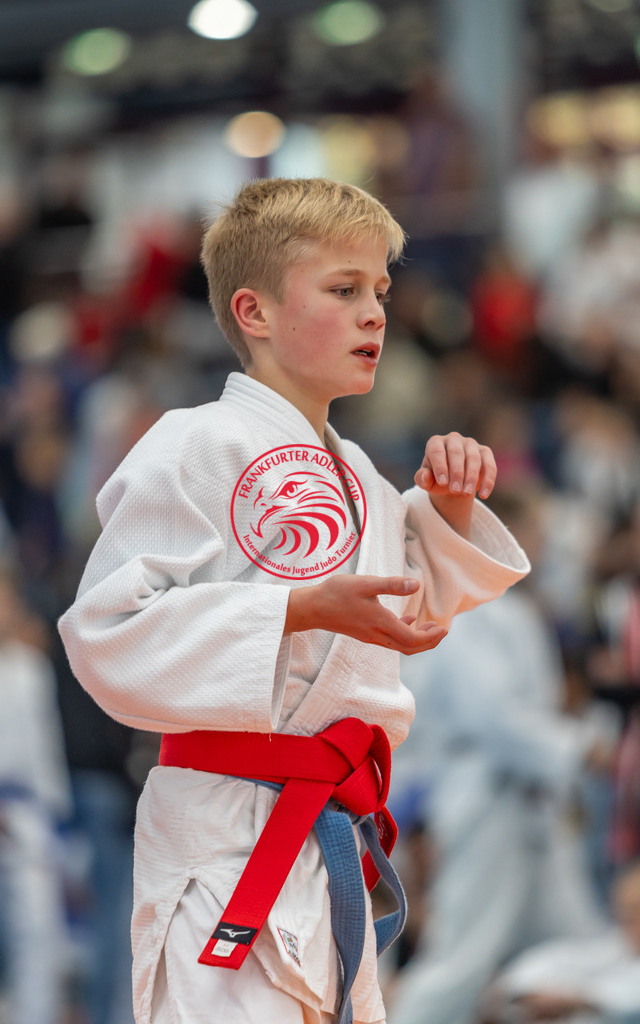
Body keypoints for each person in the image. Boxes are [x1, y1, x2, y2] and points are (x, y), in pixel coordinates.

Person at [58, 177, 530, 1024]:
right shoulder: (195, 441)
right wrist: (294, 609)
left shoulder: (362, 479)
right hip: (223, 837)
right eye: (343, 290)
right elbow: (106, 633)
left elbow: (407, 618)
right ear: (255, 311)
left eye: (380, 291)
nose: (375, 314)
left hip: (330, 834)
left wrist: (448, 507)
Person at [387, 487, 610, 1024]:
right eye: (535, 529)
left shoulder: (510, 609)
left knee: (581, 951)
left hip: (529, 807)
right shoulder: (470, 612)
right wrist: (580, 747)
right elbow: (495, 720)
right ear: (508, 534)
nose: (543, 543)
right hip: (488, 801)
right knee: (461, 963)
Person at [0, 564, 71, 1024]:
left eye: (5, 600)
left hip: (25, 810)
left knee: (36, 932)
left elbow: (45, 741)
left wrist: (56, 811)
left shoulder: (33, 667)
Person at [487, 860, 640, 1024]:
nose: (627, 922)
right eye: (624, 915)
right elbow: (558, 958)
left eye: (634, 912)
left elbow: (629, 998)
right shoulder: (616, 945)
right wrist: (522, 992)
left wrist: (581, 1002)